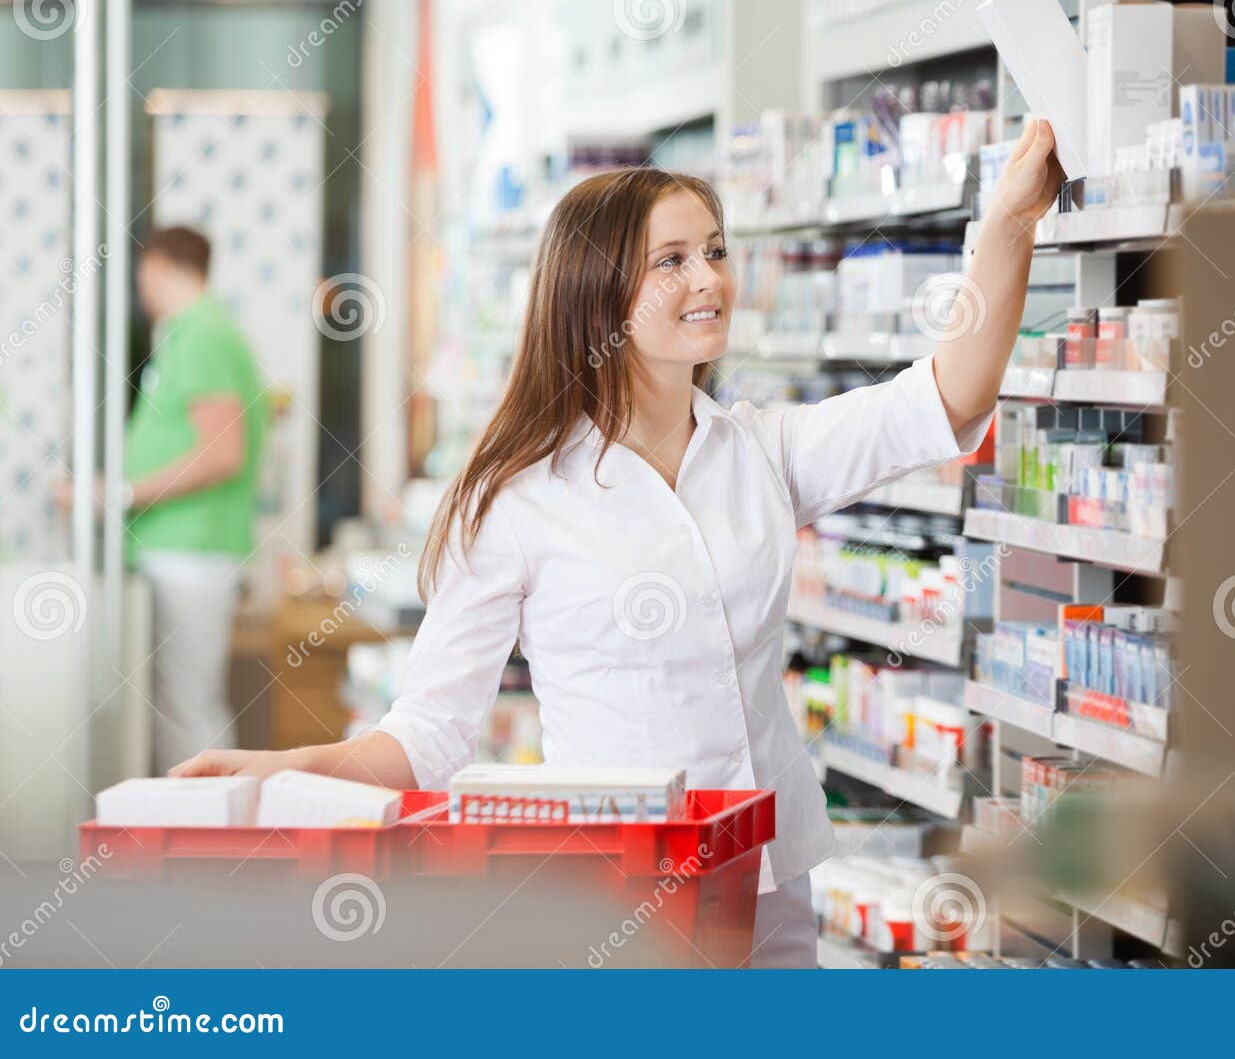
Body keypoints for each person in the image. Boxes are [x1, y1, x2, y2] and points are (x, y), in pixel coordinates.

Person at [172, 120, 1065, 967]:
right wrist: (286, 767)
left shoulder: (763, 449)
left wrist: (1011, 218)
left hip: (769, 871)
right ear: (597, 296)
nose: (708, 278)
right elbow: (429, 732)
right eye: (670, 261)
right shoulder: (518, 500)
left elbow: (950, 391)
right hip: (619, 887)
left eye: (714, 250)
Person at [67, 226, 266, 773]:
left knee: (187, 705)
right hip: (180, 549)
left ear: (155, 266)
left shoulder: (203, 333)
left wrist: (121, 494)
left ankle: (212, 823)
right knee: (179, 704)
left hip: (192, 551)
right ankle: (198, 820)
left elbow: (222, 452)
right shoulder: (189, 334)